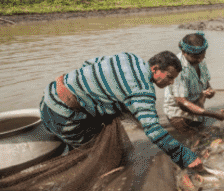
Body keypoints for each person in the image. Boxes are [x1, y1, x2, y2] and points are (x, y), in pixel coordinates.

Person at [39, 51, 203, 170]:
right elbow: (153, 131)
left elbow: (88, 64)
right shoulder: (142, 89)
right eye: (169, 77)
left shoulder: (129, 57)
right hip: (64, 117)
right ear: (155, 69)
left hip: (49, 98)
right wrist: (184, 155)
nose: (171, 82)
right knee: (105, 160)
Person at [163, 32, 224, 134]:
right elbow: (182, 103)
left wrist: (210, 92)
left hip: (197, 109)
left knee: (206, 133)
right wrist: (214, 115)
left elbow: (206, 83)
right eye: (196, 57)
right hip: (179, 115)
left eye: (202, 56)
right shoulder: (177, 69)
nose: (200, 60)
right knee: (195, 141)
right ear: (184, 52)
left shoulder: (200, 60)